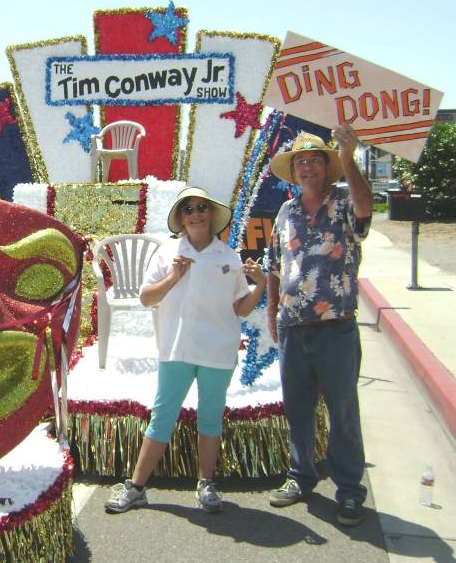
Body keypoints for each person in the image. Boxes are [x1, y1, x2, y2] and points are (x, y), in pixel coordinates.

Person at [105, 186, 266, 514]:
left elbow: (241, 308)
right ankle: (136, 488)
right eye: (188, 209)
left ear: (211, 214)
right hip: (176, 349)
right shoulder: (167, 253)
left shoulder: (228, 257)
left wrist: (261, 284)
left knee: (210, 420)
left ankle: (206, 485)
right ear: (180, 217)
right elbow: (147, 297)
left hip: (218, 352)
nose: (195, 214)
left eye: (201, 207)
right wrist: (175, 276)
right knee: (162, 418)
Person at [265, 125, 373, 527]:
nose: (307, 167)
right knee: (298, 409)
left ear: (328, 168)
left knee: (343, 410)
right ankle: (300, 476)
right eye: (301, 162)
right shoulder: (286, 212)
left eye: (314, 160)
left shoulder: (345, 201)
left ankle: (348, 490)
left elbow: (365, 213)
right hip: (294, 327)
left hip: (335, 328)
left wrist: (349, 156)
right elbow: (274, 265)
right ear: (294, 173)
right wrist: (274, 307)